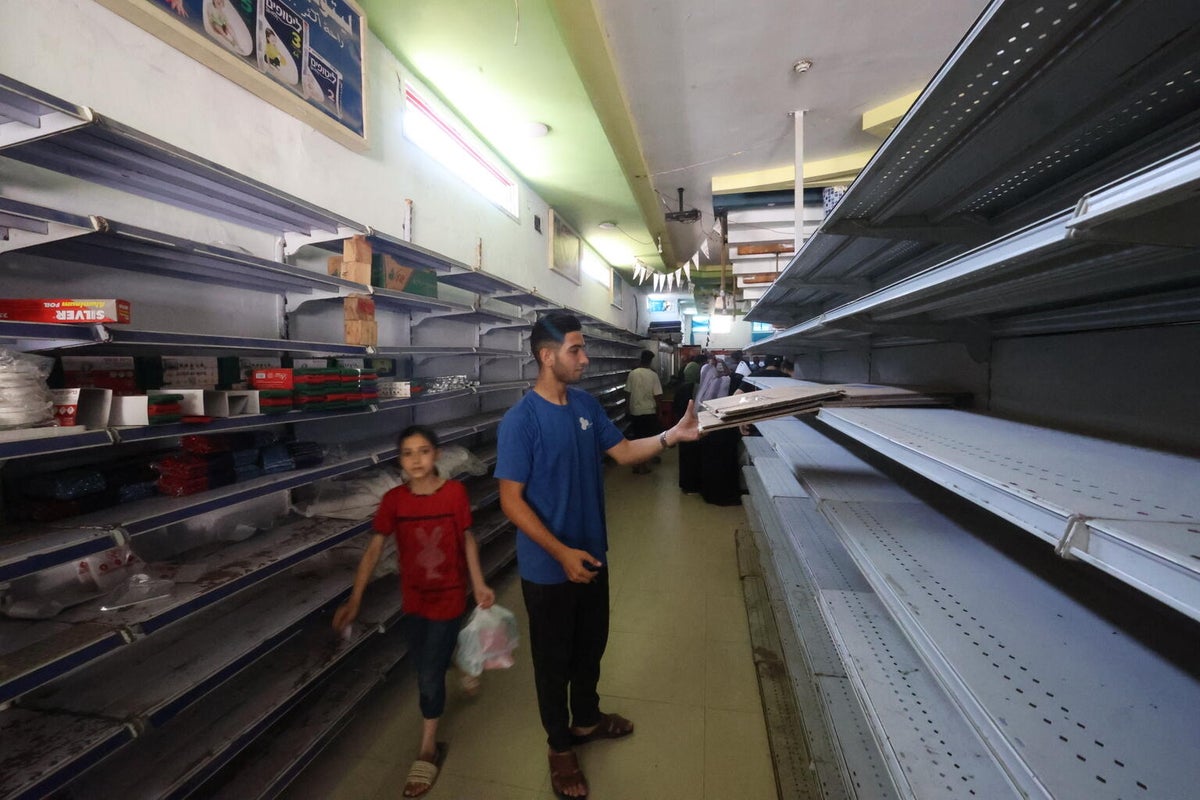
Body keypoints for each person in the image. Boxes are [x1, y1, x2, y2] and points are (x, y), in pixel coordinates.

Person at [495, 312, 700, 800]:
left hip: (592, 557)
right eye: (575, 350)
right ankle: (559, 746)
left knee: (591, 647)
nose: (584, 358)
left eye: (584, 349)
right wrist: (561, 551)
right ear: (547, 356)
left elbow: (625, 452)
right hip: (549, 568)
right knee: (552, 661)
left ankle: (586, 720)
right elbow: (510, 500)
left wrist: (674, 436)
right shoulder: (520, 422)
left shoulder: (585, 405)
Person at [333, 425, 495, 798]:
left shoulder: (455, 494)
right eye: (408, 453)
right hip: (415, 599)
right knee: (425, 658)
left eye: (424, 451)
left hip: (450, 596)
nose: (416, 459)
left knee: (426, 674)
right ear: (400, 461)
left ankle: (427, 746)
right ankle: (461, 660)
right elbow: (373, 551)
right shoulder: (394, 501)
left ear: (436, 455)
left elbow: (467, 540)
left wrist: (480, 583)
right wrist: (356, 599)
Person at [624, 350, 664, 474]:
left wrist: (627, 408)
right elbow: (657, 395)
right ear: (651, 361)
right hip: (649, 411)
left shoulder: (633, 374)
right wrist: (660, 411)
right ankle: (643, 466)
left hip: (635, 411)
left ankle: (636, 464)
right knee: (647, 439)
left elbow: (627, 393)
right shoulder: (653, 375)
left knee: (637, 438)